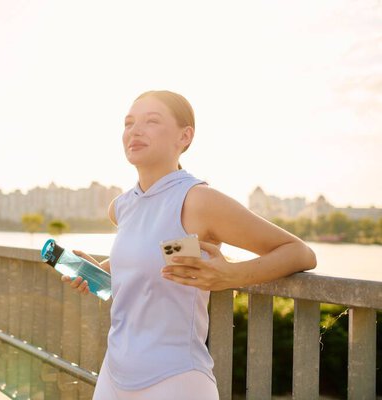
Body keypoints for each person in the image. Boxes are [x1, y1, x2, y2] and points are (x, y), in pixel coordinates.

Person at [61, 90, 317, 400]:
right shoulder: (121, 207)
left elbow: (300, 252)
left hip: (175, 380)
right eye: (129, 123)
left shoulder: (198, 200)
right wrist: (98, 273)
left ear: (185, 136)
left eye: (151, 121)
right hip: (113, 374)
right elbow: (148, 264)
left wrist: (231, 277)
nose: (135, 130)